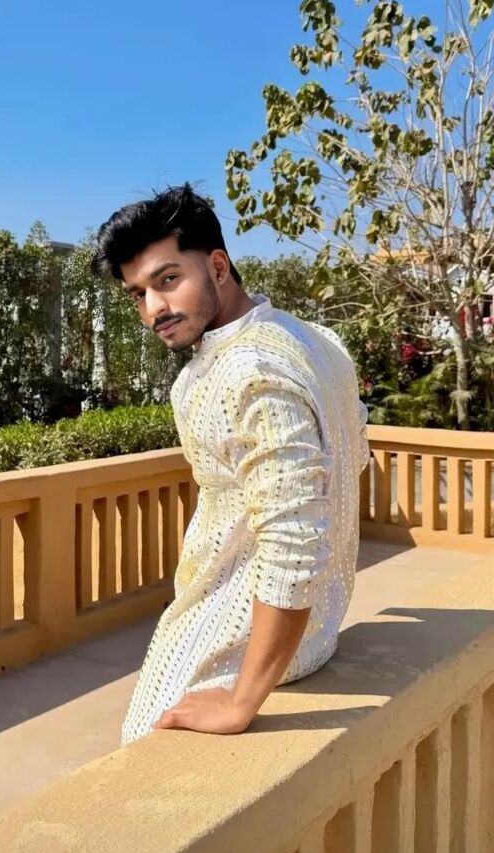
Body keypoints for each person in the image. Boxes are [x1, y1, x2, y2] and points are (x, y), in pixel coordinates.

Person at [91, 183, 370, 745]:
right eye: (138, 293)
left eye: (168, 279)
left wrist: (242, 699)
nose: (154, 309)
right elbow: (353, 454)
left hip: (230, 640)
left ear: (218, 267)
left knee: (142, 758)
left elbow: (293, 541)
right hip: (314, 634)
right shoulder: (314, 337)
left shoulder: (249, 370)